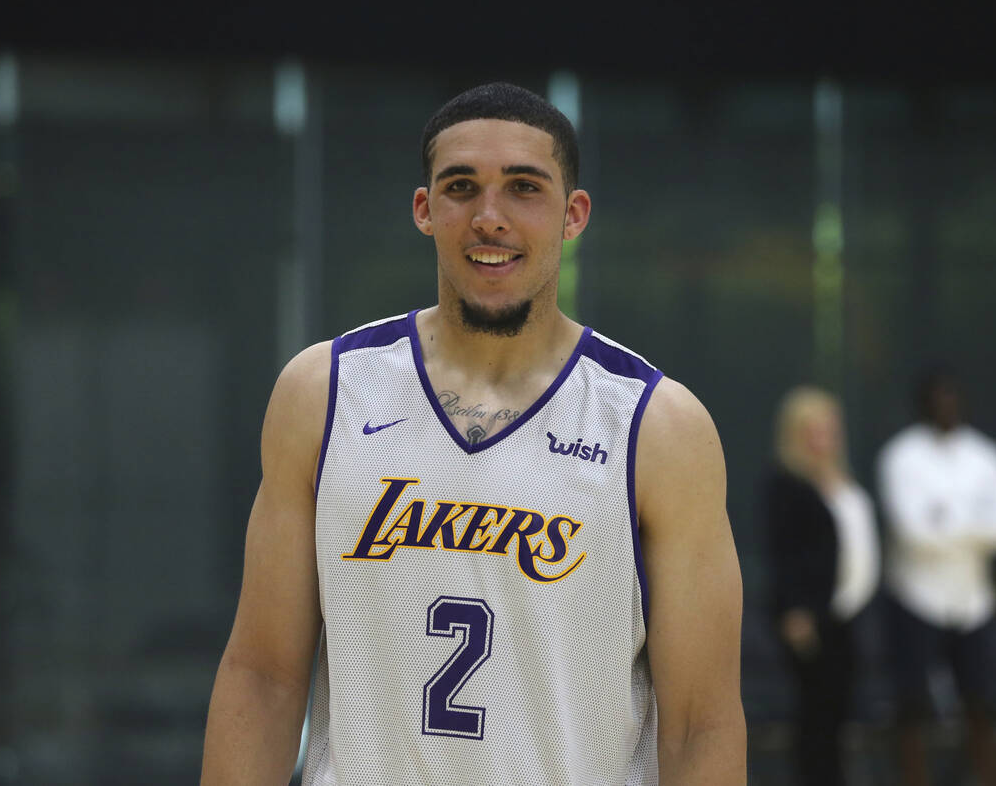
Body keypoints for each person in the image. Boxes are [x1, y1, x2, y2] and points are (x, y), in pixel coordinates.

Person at [199, 82, 746, 784]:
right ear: (425, 209)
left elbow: (701, 723)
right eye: (462, 187)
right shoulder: (323, 393)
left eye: (524, 187)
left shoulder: (658, 427)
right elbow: (264, 677)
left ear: (572, 214)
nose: (490, 216)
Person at [877, 367, 996, 786]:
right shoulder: (901, 456)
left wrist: (947, 520)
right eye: (937, 396)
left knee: (981, 704)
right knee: (910, 708)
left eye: (951, 395)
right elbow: (913, 534)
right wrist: (976, 526)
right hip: (915, 598)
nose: (946, 404)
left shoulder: (987, 456)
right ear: (923, 402)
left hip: (973, 601)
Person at [763, 386, 879, 786]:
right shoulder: (788, 486)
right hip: (811, 618)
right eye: (813, 430)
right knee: (816, 715)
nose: (824, 438)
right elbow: (785, 555)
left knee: (839, 714)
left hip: (846, 614)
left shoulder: (842, 481)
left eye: (830, 429)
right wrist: (796, 611)